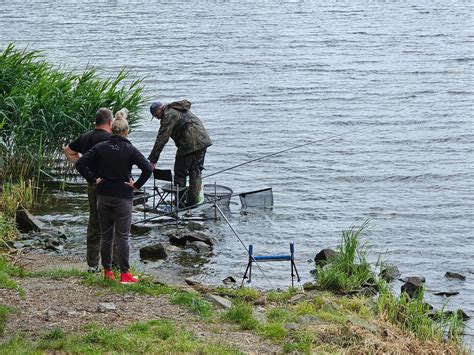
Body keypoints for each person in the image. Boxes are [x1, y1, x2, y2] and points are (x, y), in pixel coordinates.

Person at [75, 110, 152, 284]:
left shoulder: (100, 147)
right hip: (123, 197)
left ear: (112, 129)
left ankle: (107, 271)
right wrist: (136, 185)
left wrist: (93, 180)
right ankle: (125, 274)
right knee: (123, 236)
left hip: (103, 196)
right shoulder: (130, 149)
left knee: (106, 235)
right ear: (126, 131)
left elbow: (80, 163)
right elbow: (147, 169)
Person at [63, 108, 113, 274]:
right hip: (110, 185)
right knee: (113, 223)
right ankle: (113, 263)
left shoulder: (86, 137)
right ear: (110, 122)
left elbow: (68, 151)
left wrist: (88, 172)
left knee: (94, 222)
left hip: (93, 184)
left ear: (96, 121)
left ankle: (93, 264)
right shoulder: (111, 139)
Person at [148, 100, 212, 207]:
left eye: (156, 115)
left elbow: (162, 138)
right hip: (202, 141)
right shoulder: (177, 109)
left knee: (179, 173)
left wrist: (153, 160)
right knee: (195, 171)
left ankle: (180, 203)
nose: (157, 118)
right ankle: (193, 202)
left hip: (189, 144)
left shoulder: (168, 115)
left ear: (160, 109)